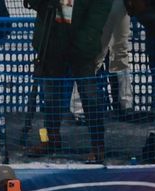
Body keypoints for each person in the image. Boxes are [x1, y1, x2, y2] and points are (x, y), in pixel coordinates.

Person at [28, 0, 110, 162]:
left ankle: (98, 146)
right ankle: (49, 139)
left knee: (89, 94)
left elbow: (96, 20)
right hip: (51, 42)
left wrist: (80, 45)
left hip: (81, 48)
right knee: (50, 96)